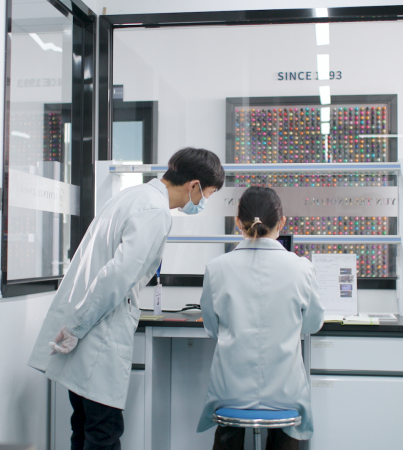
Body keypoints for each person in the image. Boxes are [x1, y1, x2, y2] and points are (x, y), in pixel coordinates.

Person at [28, 147, 225, 450]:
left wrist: (75, 325)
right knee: (103, 434)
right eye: (208, 194)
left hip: (83, 326)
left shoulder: (131, 197)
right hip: (97, 332)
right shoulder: (155, 211)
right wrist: (77, 327)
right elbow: (117, 276)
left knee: (82, 427)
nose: (204, 202)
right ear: (194, 186)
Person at [196, 186, 325, 450]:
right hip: (285, 393)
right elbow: (312, 324)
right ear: (282, 222)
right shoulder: (301, 269)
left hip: (231, 392)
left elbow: (211, 327)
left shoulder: (217, 268)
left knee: (228, 431)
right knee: (286, 432)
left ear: (238, 222)